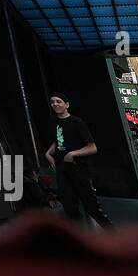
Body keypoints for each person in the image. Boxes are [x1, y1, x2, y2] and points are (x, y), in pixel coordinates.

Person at [43, 92, 113, 228]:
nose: (55, 104)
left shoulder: (76, 122)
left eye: (59, 101)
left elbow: (92, 147)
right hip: (62, 170)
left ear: (67, 104)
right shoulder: (55, 122)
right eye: (52, 102)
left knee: (92, 207)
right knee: (69, 207)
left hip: (79, 169)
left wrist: (73, 154)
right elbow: (58, 140)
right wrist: (48, 153)